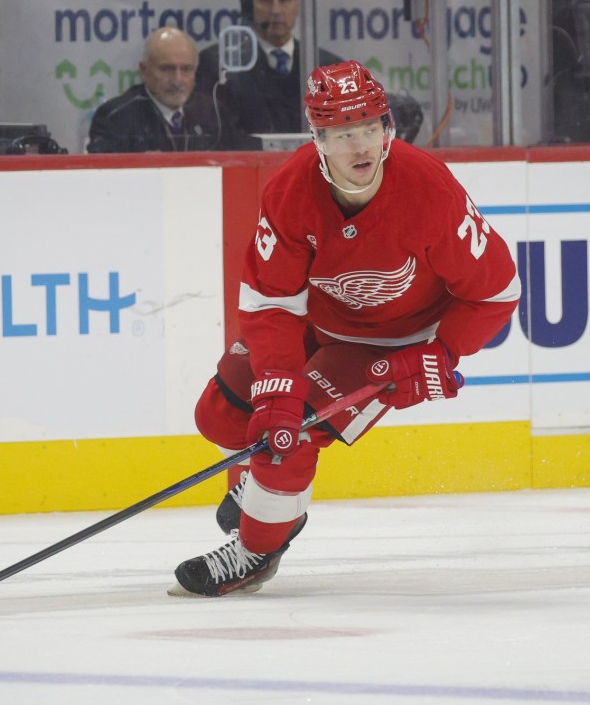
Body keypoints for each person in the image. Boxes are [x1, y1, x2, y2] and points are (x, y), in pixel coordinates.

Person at [168, 61, 523, 598]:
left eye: (370, 127)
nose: (360, 147)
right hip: (316, 317)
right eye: (340, 133)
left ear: (388, 130)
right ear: (318, 141)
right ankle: (273, 502)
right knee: (224, 412)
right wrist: (277, 388)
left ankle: (255, 552)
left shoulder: (429, 191)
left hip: (392, 341)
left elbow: (497, 291)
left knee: (287, 443)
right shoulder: (291, 192)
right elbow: (270, 304)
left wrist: (442, 352)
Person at [87, 27, 258, 153]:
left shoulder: (215, 115)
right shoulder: (115, 118)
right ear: (144, 71)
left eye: (186, 69)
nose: (178, 80)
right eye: (167, 69)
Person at [195, 0, 343, 134]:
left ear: (298, 5)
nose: (276, 10)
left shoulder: (329, 68)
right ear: (249, 7)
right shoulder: (218, 65)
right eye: (266, 0)